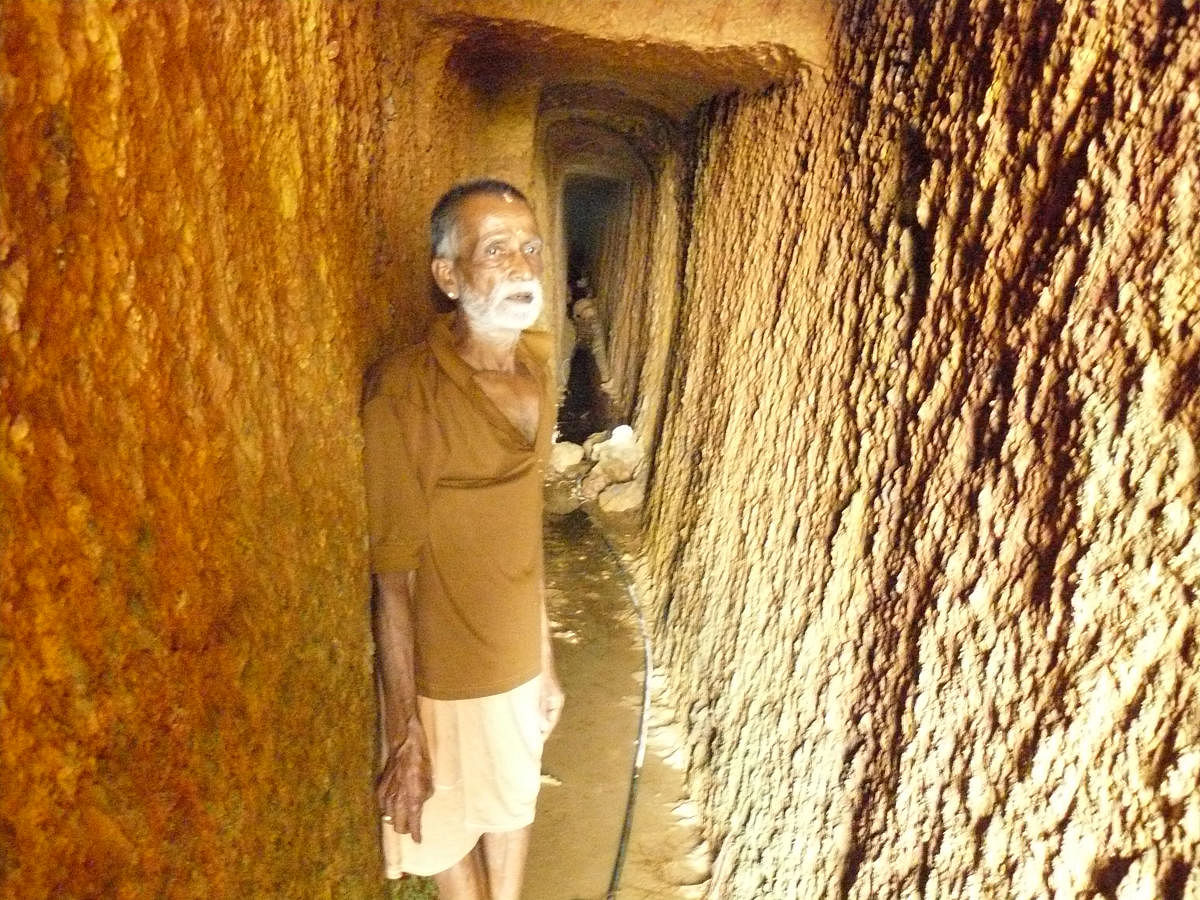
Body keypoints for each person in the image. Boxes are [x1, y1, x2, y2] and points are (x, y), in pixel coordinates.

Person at [361, 179, 564, 900]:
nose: (521, 267)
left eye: (531, 248)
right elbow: (392, 576)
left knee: (510, 840)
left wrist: (543, 661)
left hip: (515, 670)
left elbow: (525, 532)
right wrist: (405, 730)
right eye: (496, 250)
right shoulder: (405, 393)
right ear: (447, 275)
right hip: (443, 686)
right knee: (455, 867)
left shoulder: (537, 373)